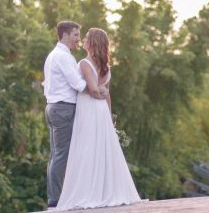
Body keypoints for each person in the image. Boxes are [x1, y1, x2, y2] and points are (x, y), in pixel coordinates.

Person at [54, 28, 143, 211]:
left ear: (92, 43)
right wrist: (109, 117)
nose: (83, 40)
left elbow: (94, 91)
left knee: (87, 148)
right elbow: (107, 93)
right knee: (100, 148)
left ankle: (90, 192)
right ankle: (102, 189)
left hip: (89, 109)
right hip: (102, 110)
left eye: (86, 38)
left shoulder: (85, 63)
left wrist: (99, 92)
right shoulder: (106, 66)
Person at [43, 21, 106, 209]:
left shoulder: (56, 55)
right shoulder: (62, 57)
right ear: (65, 35)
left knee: (57, 154)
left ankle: (57, 197)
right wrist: (99, 90)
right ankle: (55, 200)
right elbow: (78, 84)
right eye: (76, 35)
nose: (79, 39)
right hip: (63, 109)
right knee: (61, 155)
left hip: (55, 107)